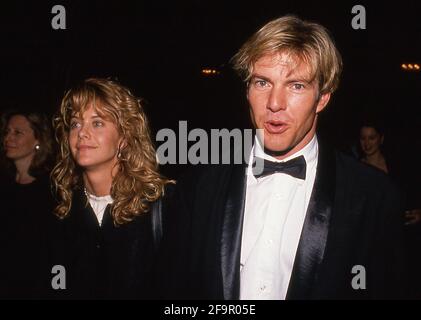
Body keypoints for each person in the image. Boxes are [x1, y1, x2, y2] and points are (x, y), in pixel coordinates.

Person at [157, 15, 406, 299]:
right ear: (247, 90)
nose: (275, 103)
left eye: (296, 85)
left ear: (322, 97)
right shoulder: (199, 186)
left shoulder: (373, 198)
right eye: (262, 83)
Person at [50, 78, 173, 299]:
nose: (82, 133)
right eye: (76, 123)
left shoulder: (161, 206)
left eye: (97, 123)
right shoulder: (63, 211)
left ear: (124, 138)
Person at [0, 110, 54, 299]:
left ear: (38, 140)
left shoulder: (50, 191)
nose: (8, 137)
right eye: (7, 132)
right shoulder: (5, 184)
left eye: (17, 132)